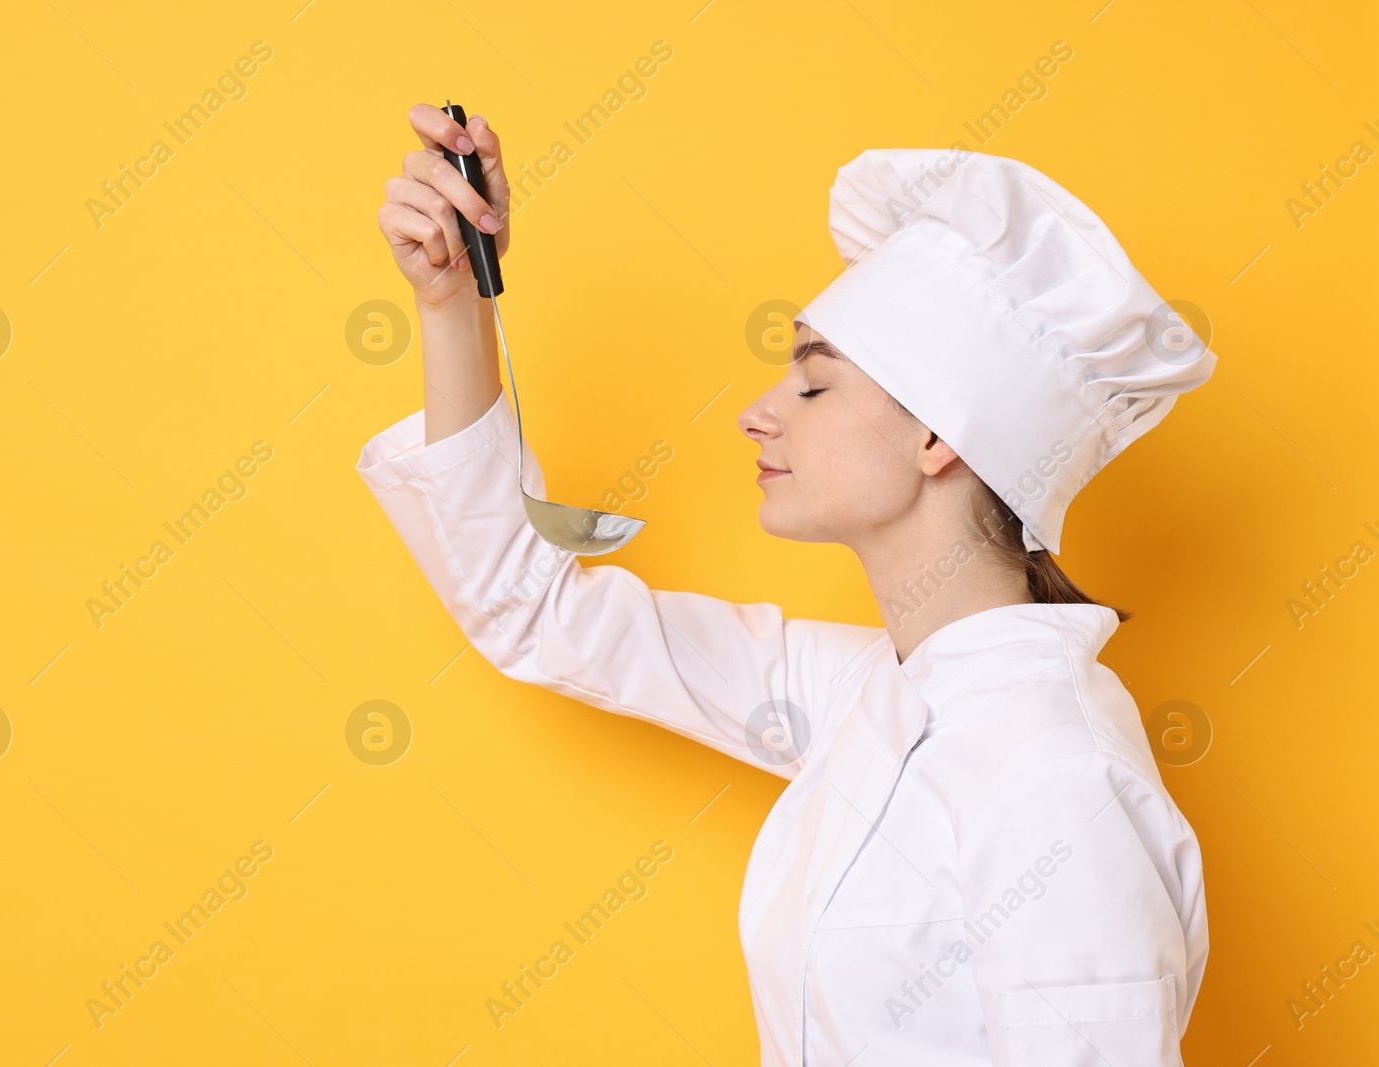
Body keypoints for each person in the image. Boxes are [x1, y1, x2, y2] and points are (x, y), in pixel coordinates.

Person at [360, 104, 1213, 1066]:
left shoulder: (1055, 775)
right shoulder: (870, 694)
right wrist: (451, 302)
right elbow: (536, 613)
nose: (756, 415)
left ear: (939, 436)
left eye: (813, 384)